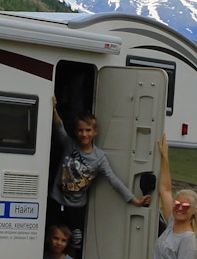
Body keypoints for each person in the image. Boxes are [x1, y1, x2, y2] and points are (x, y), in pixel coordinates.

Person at [49, 99, 151, 238]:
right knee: (53, 238)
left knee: (75, 240)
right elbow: (59, 127)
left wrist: (134, 200)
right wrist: (53, 108)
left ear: (95, 131)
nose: (84, 134)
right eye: (80, 130)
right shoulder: (69, 145)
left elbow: (113, 179)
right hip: (56, 200)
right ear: (75, 131)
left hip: (76, 207)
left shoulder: (99, 157)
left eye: (88, 130)